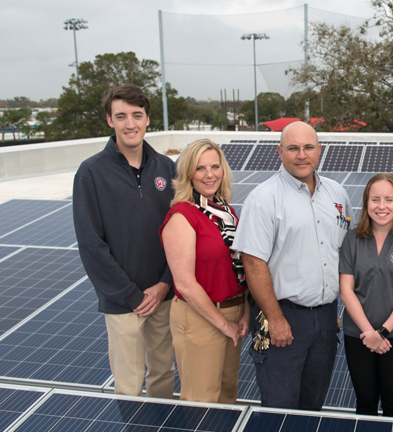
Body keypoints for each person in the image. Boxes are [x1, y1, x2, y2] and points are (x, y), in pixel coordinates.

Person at [232, 121, 353, 410]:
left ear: (319, 150)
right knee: (280, 406)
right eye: (293, 148)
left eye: (308, 147)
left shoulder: (337, 194)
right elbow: (253, 262)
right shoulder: (263, 199)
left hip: (325, 319)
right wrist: (275, 319)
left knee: (313, 404)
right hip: (283, 318)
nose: (302, 155)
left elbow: (347, 249)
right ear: (280, 151)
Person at [73, 84, 175, 398]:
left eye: (136, 115)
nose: (129, 123)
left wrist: (164, 284)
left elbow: (183, 235)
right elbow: (91, 245)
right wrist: (131, 296)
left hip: (163, 297)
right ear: (110, 121)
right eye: (121, 116)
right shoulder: (91, 173)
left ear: (147, 120)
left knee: (163, 376)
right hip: (122, 303)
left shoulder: (167, 169)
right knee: (129, 385)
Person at [160, 139, 250, 404]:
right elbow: (185, 283)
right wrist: (223, 324)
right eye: (200, 168)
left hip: (232, 313)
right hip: (200, 318)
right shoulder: (182, 216)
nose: (209, 174)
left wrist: (244, 311)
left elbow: (238, 269)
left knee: (227, 397)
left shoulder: (226, 212)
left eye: (215, 166)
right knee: (203, 403)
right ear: (188, 173)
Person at [339, 174, 393, 417]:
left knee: (392, 403)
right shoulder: (353, 238)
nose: (382, 206)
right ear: (366, 202)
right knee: (365, 402)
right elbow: (346, 290)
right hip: (358, 334)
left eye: (389, 199)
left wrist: (382, 333)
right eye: (375, 199)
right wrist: (369, 333)